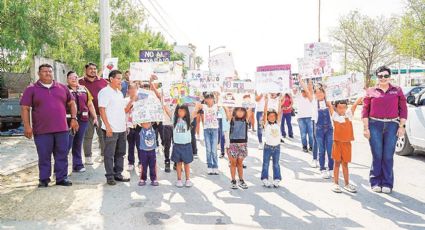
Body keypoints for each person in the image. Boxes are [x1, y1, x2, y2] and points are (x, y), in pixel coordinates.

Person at [20, 64, 79, 187]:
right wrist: (27, 126)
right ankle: (44, 179)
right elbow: (25, 108)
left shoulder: (62, 88)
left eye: (50, 71)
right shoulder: (31, 89)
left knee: (62, 154)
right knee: (44, 155)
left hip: (62, 129)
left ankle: (61, 178)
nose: (48, 73)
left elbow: (72, 103)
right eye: (44, 71)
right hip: (41, 130)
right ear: (39, 73)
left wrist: (74, 118)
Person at [362, 66, 407, 194]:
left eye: (386, 76)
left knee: (388, 156)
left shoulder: (397, 90)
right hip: (374, 124)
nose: (383, 78)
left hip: (392, 125)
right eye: (380, 76)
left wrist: (401, 126)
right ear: (377, 77)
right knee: (377, 155)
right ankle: (375, 181)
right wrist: (366, 128)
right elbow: (365, 110)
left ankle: (387, 183)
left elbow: (403, 109)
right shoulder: (371, 91)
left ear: (390, 76)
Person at [98, 70, 129, 185]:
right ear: (111, 79)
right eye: (118, 78)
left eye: (121, 79)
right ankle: (110, 176)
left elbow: (123, 110)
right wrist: (107, 126)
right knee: (109, 154)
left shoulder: (119, 93)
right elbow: (101, 109)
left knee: (120, 153)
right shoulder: (105, 92)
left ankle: (118, 174)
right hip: (110, 129)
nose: (120, 81)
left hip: (121, 128)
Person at [66, 71, 97, 173]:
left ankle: (78, 164)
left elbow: (90, 104)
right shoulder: (64, 89)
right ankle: (61, 167)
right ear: (67, 79)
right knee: (67, 143)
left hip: (83, 120)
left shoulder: (84, 89)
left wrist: (95, 117)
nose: (73, 79)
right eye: (71, 77)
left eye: (75, 77)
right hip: (69, 120)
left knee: (78, 142)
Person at [330, 98, 362, 193]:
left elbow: (355, 105)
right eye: (339, 107)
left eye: (344, 107)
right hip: (337, 143)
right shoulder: (335, 116)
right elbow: (329, 104)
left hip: (347, 144)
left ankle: (347, 184)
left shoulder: (349, 116)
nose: (342, 109)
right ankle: (335, 183)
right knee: (337, 163)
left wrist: (360, 97)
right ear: (336, 108)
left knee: (345, 164)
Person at [79, 63, 108, 165]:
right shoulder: (80, 82)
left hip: (101, 113)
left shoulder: (103, 82)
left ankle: (104, 155)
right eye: (90, 69)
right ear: (85, 70)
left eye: (95, 69)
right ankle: (88, 157)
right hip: (86, 115)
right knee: (88, 136)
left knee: (102, 136)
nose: (93, 71)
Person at [193, 92, 220, 175]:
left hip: (215, 129)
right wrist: (200, 100)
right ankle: (209, 166)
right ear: (205, 99)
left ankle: (215, 166)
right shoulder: (204, 106)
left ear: (213, 99)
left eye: (211, 98)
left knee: (214, 150)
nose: (209, 100)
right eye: (207, 98)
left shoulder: (216, 106)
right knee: (208, 149)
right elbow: (197, 105)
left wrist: (218, 94)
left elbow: (222, 102)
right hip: (206, 130)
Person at [167, 105, 194, 188]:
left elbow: (196, 109)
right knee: (178, 163)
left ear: (186, 112)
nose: (181, 113)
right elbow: (166, 109)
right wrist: (164, 101)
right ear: (177, 111)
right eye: (179, 111)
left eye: (183, 111)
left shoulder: (189, 120)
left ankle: (187, 179)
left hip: (187, 145)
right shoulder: (174, 119)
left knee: (187, 163)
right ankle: (179, 180)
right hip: (177, 145)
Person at [312, 84, 334, 179]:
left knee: (330, 150)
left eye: (321, 92)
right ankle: (322, 169)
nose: (319, 94)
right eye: (317, 93)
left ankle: (331, 168)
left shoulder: (328, 102)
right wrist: (301, 80)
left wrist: (330, 106)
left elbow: (333, 114)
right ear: (315, 95)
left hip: (329, 129)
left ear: (324, 93)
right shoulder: (313, 103)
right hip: (319, 129)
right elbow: (307, 89)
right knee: (321, 150)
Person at [225, 107, 249, 189]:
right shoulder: (232, 119)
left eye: (242, 111)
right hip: (233, 145)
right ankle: (233, 180)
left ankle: (241, 180)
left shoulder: (246, 120)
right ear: (235, 111)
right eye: (238, 110)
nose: (240, 112)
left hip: (242, 145)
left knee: (240, 163)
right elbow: (227, 111)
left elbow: (250, 108)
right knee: (233, 163)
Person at [261, 95, 282, 188]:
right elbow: (265, 113)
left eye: (274, 116)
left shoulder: (278, 123)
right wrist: (266, 102)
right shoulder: (266, 125)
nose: (272, 117)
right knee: (266, 163)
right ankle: (264, 179)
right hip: (268, 147)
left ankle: (276, 179)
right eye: (270, 116)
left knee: (276, 164)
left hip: (277, 147)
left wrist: (280, 102)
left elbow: (280, 111)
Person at [124, 83, 141, 171]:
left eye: (135, 89)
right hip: (130, 126)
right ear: (128, 90)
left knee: (140, 146)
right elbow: (125, 110)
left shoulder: (141, 100)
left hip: (139, 125)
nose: (134, 90)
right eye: (132, 89)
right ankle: (131, 163)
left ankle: (141, 163)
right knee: (131, 145)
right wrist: (132, 100)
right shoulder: (125, 100)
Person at [296, 77, 314, 153]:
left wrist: (309, 78)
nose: (304, 92)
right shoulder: (299, 97)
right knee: (303, 134)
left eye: (305, 91)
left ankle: (311, 146)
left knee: (311, 134)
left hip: (310, 118)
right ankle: (304, 146)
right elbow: (302, 86)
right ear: (301, 92)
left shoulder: (310, 97)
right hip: (301, 118)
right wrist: (300, 80)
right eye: (303, 91)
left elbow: (310, 88)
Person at [138, 122, 159, 186]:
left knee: (153, 165)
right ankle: (142, 179)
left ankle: (154, 179)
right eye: (144, 123)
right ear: (141, 124)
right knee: (143, 166)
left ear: (151, 123)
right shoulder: (141, 130)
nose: (146, 124)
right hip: (143, 151)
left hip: (152, 151)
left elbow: (157, 121)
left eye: (148, 123)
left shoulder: (153, 128)